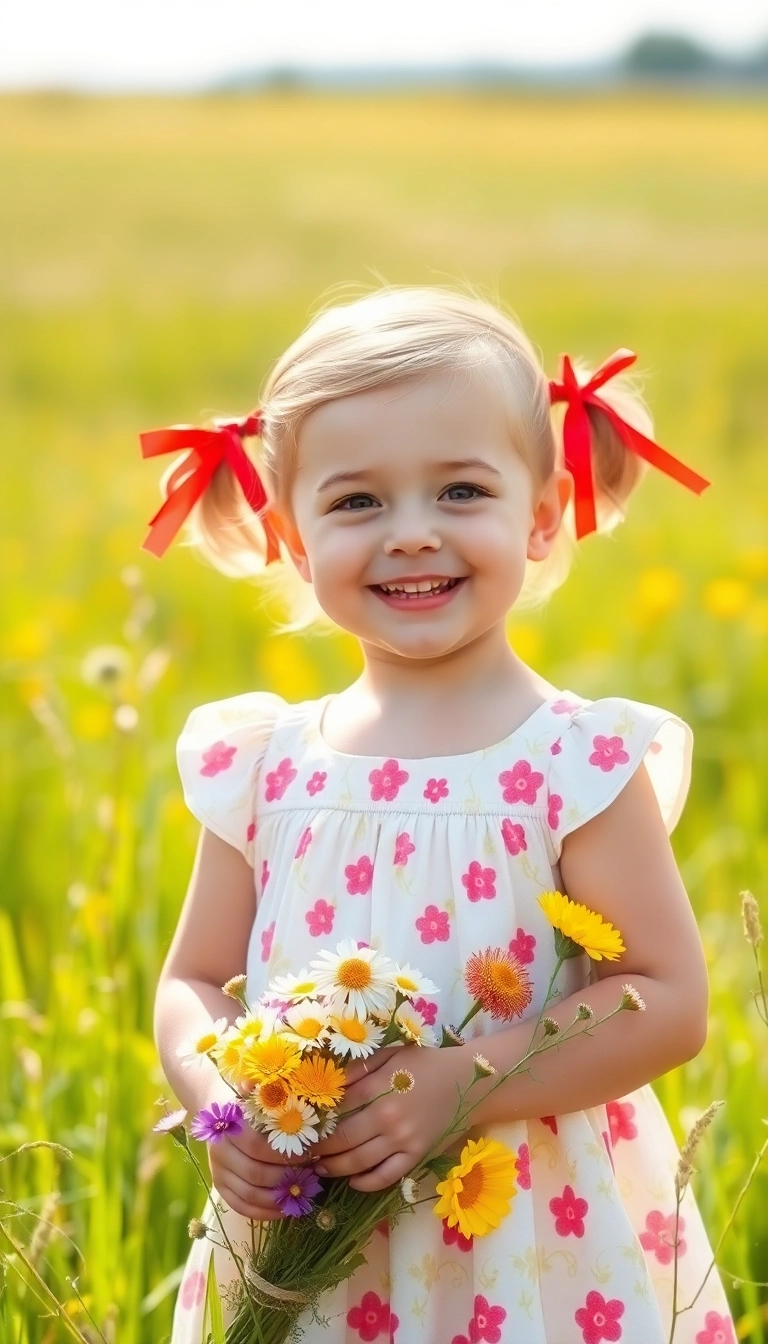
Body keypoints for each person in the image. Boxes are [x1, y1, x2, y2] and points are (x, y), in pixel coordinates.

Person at [150, 288, 734, 1344]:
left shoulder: (572, 763)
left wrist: (465, 1082)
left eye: (461, 491)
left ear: (544, 512)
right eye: (358, 503)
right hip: (306, 1231)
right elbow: (193, 980)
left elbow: (666, 998)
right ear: (290, 534)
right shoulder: (263, 763)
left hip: (527, 1239)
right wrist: (223, 1107)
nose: (411, 536)